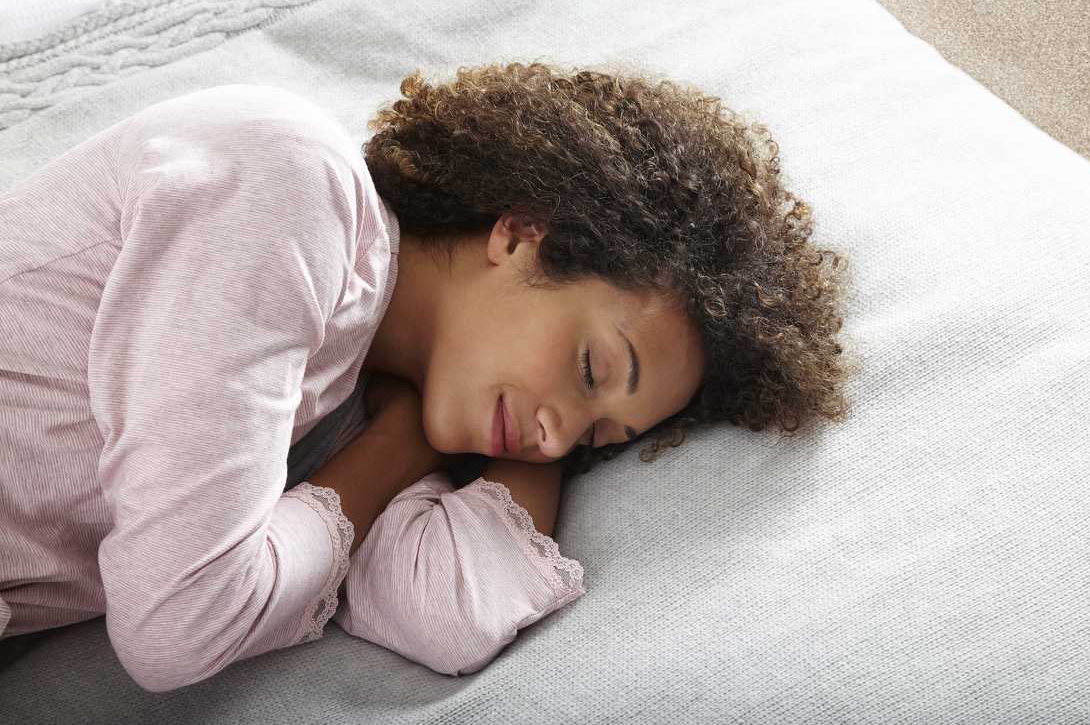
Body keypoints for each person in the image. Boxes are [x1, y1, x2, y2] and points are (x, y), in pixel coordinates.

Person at [0, 62, 855, 690]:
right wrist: (400, 441)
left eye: (598, 437)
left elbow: (446, 607)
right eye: (591, 368)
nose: (559, 432)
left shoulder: (360, 411)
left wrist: (422, 440)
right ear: (521, 234)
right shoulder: (292, 189)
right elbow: (177, 624)